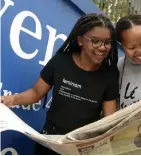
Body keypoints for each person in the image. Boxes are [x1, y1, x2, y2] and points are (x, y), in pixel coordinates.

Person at [1, 13, 119, 155]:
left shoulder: (110, 74)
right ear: (80, 40)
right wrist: (9, 100)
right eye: (95, 41)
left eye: (107, 42)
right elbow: (35, 93)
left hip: (81, 148)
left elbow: (109, 120)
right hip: (50, 143)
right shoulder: (60, 62)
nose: (102, 47)